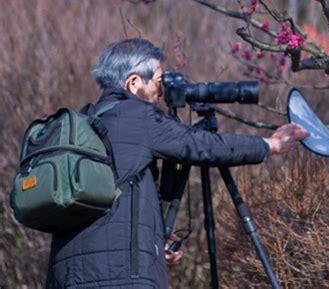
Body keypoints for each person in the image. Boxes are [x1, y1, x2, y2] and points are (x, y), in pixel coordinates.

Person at [46, 38, 309, 289]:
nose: (161, 93)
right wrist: (268, 145)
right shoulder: (138, 116)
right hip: (122, 274)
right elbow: (201, 146)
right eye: (159, 82)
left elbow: (117, 197)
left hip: (64, 274)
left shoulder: (82, 123)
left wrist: (154, 236)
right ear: (134, 82)